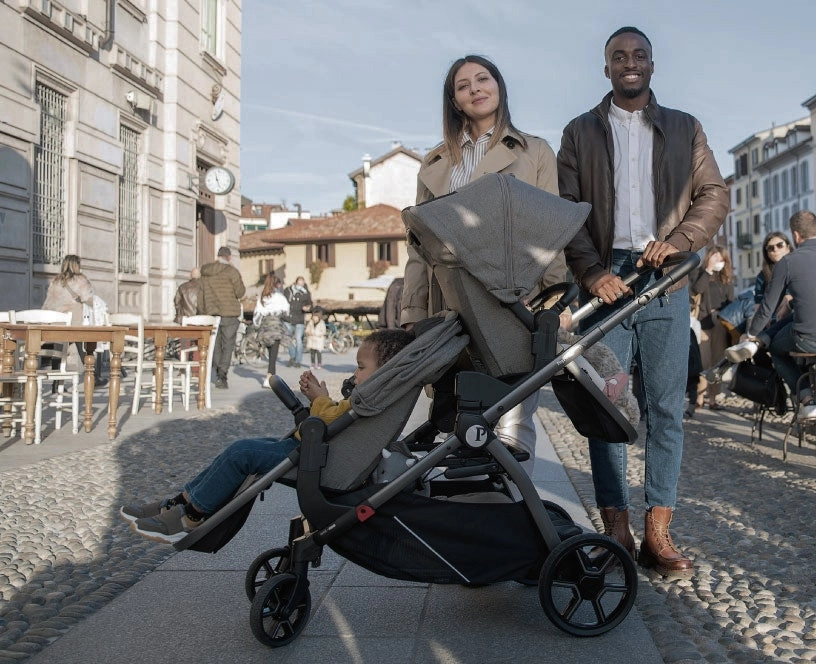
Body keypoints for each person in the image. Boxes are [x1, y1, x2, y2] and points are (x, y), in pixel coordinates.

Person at [557, 26, 728, 577]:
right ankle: (618, 531)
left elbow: (714, 194)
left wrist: (677, 243)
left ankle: (658, 531)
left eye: (639, 56)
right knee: (606, 410)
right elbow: (566, 209)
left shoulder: (685, 127)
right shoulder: (580, 132)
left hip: (666, 279)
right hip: (605, 280)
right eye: (618, 57)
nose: (629, 64)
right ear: (605, 69)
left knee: (664, 410)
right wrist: (591, 271)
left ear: (652, 65)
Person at [400, 54, 566, 474]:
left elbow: (552, 230)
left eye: (483, 78)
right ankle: (469, 513)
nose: (475, 88)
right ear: (454, 101)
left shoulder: (534, 152)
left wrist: (555, 300)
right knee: (458, 411)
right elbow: (418, 246)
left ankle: (514, 517)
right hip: (449, 302)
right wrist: (412, 311)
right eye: (463, 85)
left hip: (513, 297)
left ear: (498, 86)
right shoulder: (435, 163)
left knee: (512, 418)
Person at [121, 328, 414, 543]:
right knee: (241, 450)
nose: (356, 374)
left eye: (361, 368)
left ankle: (192, 515)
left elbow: (328, 419)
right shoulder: (370, 396)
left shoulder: (369, 398)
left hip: (319, 460)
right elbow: (335, 419)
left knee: (241, 453)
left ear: (385, 371)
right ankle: (176, 502)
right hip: (313, 449)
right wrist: (321, 400)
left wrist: (319, 398)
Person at [724, 210, 816, 420]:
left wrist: (752, 333)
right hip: (802, 328)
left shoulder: (789, 262)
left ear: (795, 236)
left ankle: (807, 400)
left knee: (776, 349)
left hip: (807, 339)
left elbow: (767, 306)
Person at [43, 254, 108, 386]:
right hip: (74, 322)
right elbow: (88, 298)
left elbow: (48, 303)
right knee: (84, 350)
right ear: (76, 265)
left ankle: (56, 384)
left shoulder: (56, 281)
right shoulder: (80, 280)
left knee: (58, 352)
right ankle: (93, 377)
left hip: (57, 323)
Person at [690, 246, 734, 410]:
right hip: (703, 323)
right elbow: (696, 290)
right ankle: (700, 397)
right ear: (708, 258)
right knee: (704, 362)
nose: (718, 262)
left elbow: (731, 301)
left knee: (717, 363)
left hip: (721, 325)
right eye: (715, 258)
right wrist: (708, 270)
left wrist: (721, 313)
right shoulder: (698, 273)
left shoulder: (726, 278)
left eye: (721, 259)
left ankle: (713, 398)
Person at [198, 246, 246, 389]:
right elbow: (240, 292)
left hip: (211, 313)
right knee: (228, 345)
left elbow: (201, 295)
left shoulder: (206, 273)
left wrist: (203, 312)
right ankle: (222, 375)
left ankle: (218, 369)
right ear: (229, 257)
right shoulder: (232, 271)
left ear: (217, 256)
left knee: (215, 346)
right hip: (229, 313)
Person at [252, 273, 290, 388]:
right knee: (273, 356)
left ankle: (271, 377)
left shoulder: (262, 297)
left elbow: (257, 314)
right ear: (276, 285)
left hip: (265, 328)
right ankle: (269, 378)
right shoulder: (279, 297)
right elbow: (286, 312)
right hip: (275, 328)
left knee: (269, 354)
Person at [283, 276, 313, 368]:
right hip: (288, 319)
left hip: (299, 319)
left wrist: (307, 308)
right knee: (288, 340)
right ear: (295, 283)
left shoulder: (306, 293)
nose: (300, 286)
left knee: (299, 340)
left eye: (302, 284)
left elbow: (310, 305)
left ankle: (298, 361)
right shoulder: (287, 291)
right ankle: (292, 356)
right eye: (299, 284)